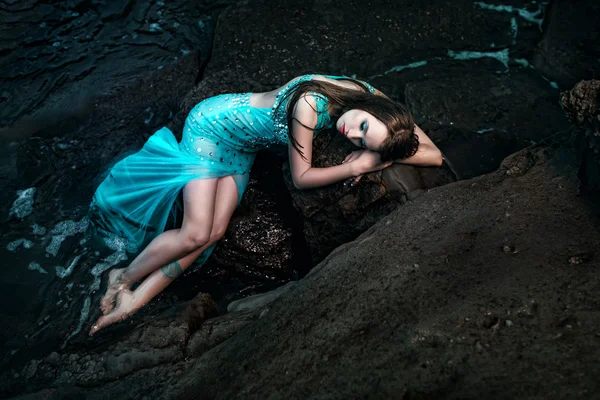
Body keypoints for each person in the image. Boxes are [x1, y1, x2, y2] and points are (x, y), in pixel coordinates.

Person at [89, 74, 443, 335]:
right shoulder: (310, 104)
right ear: (371, 107)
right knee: (195, 232)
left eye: (364, 139)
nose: (352, 134)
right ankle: (123, 277)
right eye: (363, 125)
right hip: (210, 128)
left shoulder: (378, 109)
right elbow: (302, 177)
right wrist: (357, 164)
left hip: (241, 148)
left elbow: (434, 156)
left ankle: (134, 301)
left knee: (213, 234)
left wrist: (381, 156)